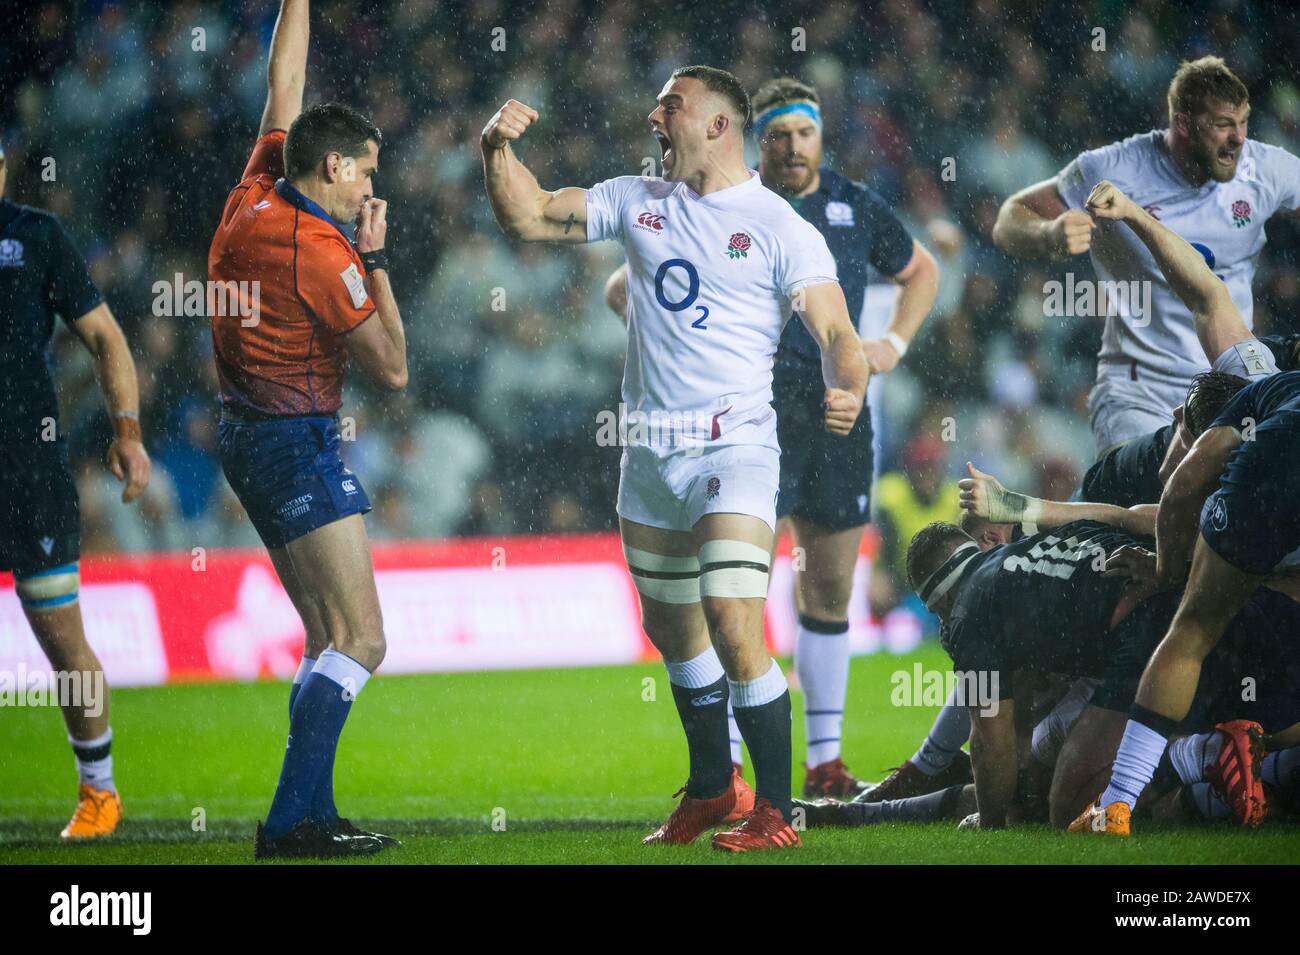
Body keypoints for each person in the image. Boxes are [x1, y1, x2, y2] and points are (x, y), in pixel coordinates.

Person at [482, 66, 868, 851]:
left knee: (732, 620)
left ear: (720, 126)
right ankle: (710, 788)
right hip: (649, 454)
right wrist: (495, 149)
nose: (655, 113)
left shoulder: (778, 224)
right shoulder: (638, 200)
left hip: (735, 446)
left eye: (672, 104)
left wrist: (848, 387)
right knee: (674, 632)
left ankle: (777, 811)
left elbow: (836, 332)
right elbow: (530, 217)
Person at [605, 76, 940, 797]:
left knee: (828, 585)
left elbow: (922, 271)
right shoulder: (725, 204)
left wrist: (890, 349)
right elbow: (626, 284)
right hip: (749, 419)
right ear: (757, 140)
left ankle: (823, 759)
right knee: (730, 601)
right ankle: (727, 766)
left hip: (833, 416)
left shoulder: (854, 207)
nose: (794, 146)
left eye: (807, 133)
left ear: (822, 137)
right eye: (781, 134)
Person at [207, 0, 407, 859]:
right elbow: (394, 369)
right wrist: (376, 257)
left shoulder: (256, 187)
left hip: (247, 434)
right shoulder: (320, 253)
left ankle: (310, 811)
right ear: (333, 167)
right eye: (364, 172)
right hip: (295, 439)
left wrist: (298, 3)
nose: (370, 186)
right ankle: (291, 821)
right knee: (363, 638)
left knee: (326, 637)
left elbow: (279, 87)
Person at [992, 56, 1300, 454]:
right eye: (1223, 124)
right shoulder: (1115, 169)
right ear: (1184, 124)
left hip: (1230, 384)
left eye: (1243, 122)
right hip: (1140, 395)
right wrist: (1049, 233)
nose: (1239, 138)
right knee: (1151, 507)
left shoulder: (1265, 169)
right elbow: (1009, 220)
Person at [0, 141, 151, 839]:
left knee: (64, 641)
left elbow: (107, 338)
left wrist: (127, 431)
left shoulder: (36, 237)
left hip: (26, 471)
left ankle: (100, 791)